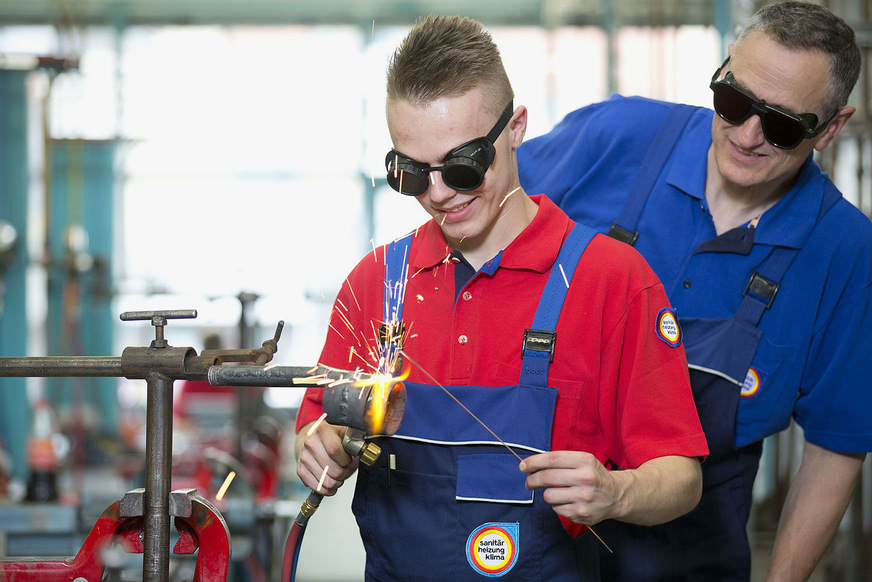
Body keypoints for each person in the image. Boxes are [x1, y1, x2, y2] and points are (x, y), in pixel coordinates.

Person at [295, 14, 708, 582]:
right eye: (411, 172)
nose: (438, 195)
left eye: (462, 166)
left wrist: (617, 491)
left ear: (515, 128)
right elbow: (317, 424)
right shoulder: (376, 284)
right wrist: (318, 444)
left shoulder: (611, 281)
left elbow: (682, 479)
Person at [517, 2, 870, 580]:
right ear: (724, 67)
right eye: (734, 101)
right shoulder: (618, 136)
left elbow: (835, 447)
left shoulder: (842, 250)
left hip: (687, 555)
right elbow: (484, 217)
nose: (748, 136)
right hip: (526, 526)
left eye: (782, 126)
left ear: (830, 128)